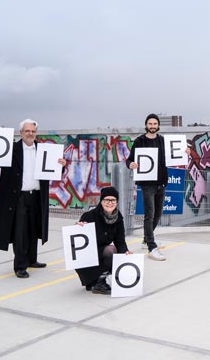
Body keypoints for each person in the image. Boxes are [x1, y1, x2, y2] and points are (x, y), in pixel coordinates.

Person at [0, 119, 67, 278]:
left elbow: (55, 170)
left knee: (34, 228)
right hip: (18, 196)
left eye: (33, 131)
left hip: (37, 195)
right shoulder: (12, 149)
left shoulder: (43, 149)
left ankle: (32, 259)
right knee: (20, 231)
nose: (30, 134)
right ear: (21, 133)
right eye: (27, 131)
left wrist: (62, 164)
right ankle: (20, 265)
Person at [126, 113, 168, 261]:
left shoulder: (163, 140)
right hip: (146, 184)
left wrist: (185, 152)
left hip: (161, 182)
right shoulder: (139, 141)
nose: (152, 126)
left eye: (155, 124)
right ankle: (151, 247)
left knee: (157, 214)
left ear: (158, 125)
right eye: (150, 124)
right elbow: (129, 160)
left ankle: (146, 239)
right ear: (146, 125)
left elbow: (171, 156)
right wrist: (131, 164)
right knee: (149, 215)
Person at [75, 187, 131, 295]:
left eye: (113, 200)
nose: (110, 203)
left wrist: (126, 253)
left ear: (116, 202)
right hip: (87, 257)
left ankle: (97, 281)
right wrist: (78, 227)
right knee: (111, 250)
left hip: (100, 255)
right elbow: (77, 239)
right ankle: (97, 282)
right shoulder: (90, 216)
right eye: (106, 200)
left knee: (119, 253)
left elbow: (120, 241)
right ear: (101, 201)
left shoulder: (118, 218)